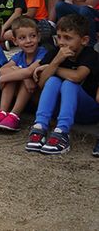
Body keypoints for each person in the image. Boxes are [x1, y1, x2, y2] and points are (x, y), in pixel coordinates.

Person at [26, 14, 99, 155]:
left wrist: (54, 68)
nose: (62, 42)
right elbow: (42, 83)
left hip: (88, 111)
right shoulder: (56, 53)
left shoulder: (91, 55)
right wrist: (55, 61)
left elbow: (77, 76)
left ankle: (62, 133)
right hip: (60, 109)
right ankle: (40, 126)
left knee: (69, 84)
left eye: (68, 38)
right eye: (59, 37)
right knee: (53, 81)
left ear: (84, 40)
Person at [0, 17, 46, 132]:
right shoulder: (19, 55)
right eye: (22, 38)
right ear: (15, 41)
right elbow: (1, 70)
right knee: (17, 77)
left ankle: (14, 115)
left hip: (36, 98)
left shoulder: (42, 53)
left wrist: (6, 77)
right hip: (21, 97)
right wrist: (21, 75)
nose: (28, 41)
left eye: (32, 36)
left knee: (24, 77)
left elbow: (29, 72)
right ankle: (3, 112)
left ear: (38, 36)